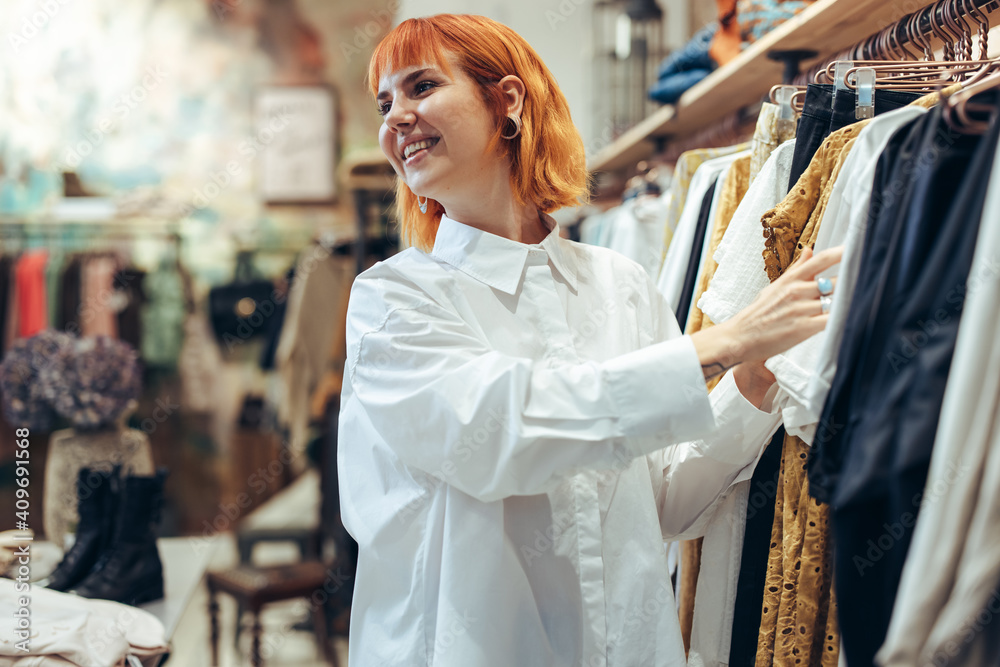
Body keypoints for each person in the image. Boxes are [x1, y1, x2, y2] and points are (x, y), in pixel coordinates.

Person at [338, 13, 842, 667]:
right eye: (385, 103)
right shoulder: (393, 299)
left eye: (421, 87)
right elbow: (503, 428)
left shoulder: (620, 283)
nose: (395, 118)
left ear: (508, 101)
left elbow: (664, 502)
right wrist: (725, 341)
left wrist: (751, 384)